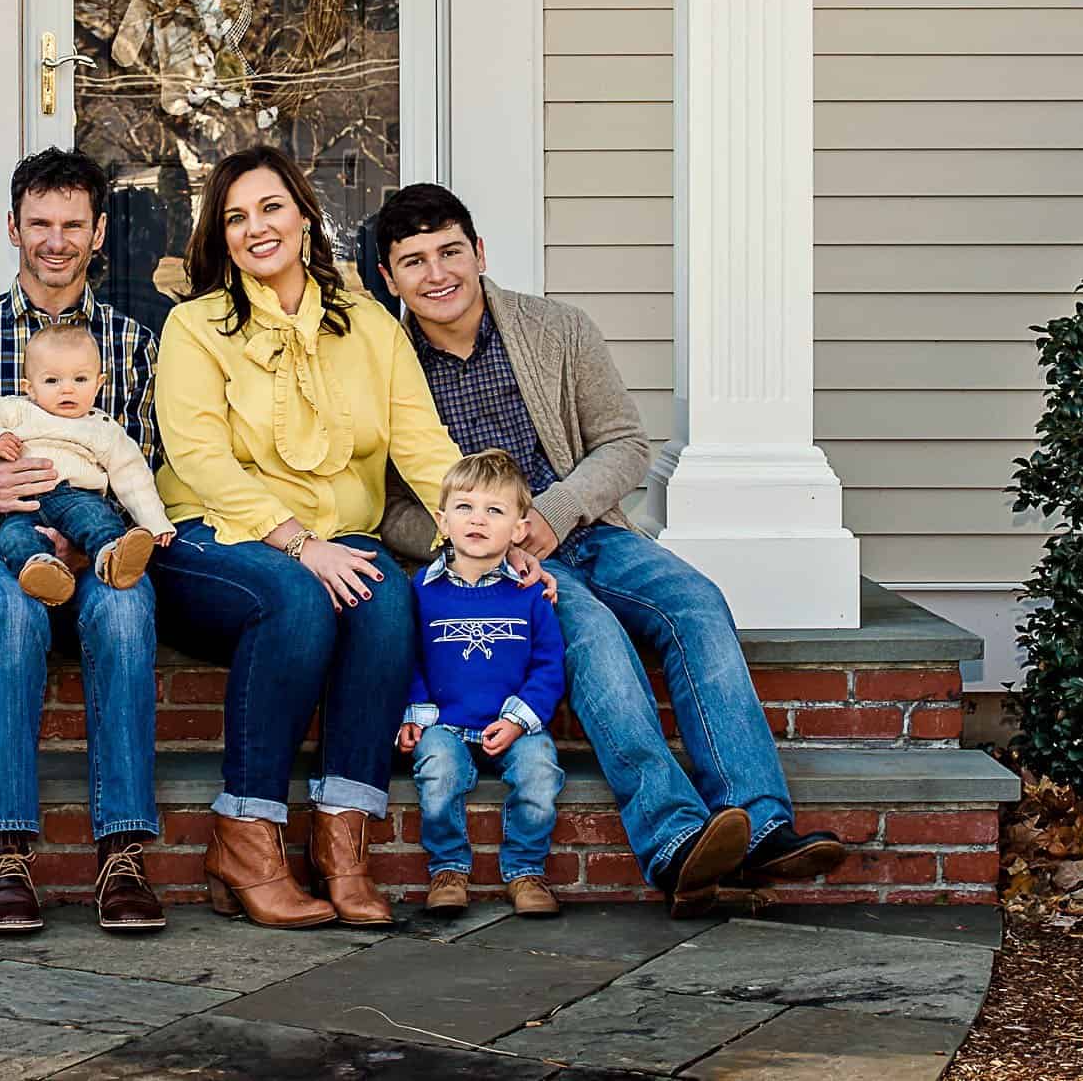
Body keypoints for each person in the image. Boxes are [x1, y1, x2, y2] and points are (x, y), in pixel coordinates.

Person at [374, 182, 848, 919]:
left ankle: (760, 823)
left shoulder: (556, 329)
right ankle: (674, 838)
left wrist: (555, 514)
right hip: (493, 569)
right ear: (389, 278)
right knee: (588, 627)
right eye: (414, 262)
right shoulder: (384, 367)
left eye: (450, 252)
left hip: (589, 529)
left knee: (696, 601)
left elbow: (626, 444)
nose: (438, 274)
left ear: (478, 253)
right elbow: (388, 509)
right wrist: (480, 537)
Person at [151, 145, 553, 929]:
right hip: (211, 536)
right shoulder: (194, 327)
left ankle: (344, 844)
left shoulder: (370, 325)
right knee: (298, 603)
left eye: (271, 207)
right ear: (221, 236)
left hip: (340, 536)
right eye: (236, 217)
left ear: (304, 214)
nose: (257, 228)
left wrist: (488, 535)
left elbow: (425, 444)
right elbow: (198, 457)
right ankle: (248, 837)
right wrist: (299, 542)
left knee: (386, 603)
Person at [0, 147, 165, 932]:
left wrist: (105, 537)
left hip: (92, 549)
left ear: (98, 236)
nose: (54, 241)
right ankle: (6, 857)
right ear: (13, 230)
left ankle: (122, 855)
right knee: (14, 617)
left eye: (72, 226)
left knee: (125, 610)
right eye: (39, 225)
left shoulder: (131, 347)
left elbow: (144, 461)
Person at [399, 451, 568, 919]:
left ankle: (526, 871)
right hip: (445, 724)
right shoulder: (421, 592)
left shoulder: (530, 593)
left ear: (518, 530)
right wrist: (414, 713)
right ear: (443, 520)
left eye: (495, 510)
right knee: (438, 771)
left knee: (541, 768)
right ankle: (448, 869)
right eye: (465, 508)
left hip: (512, 724)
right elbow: (407, 660)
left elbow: (549, 665)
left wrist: (517, 722)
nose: (478, 520)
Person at [0, 323, 176, 604]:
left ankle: (113, 558)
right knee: (15, 537)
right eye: (52, 381)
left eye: (80, 379)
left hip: (76, 497)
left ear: (99, 383)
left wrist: (154, 522)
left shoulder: (102, 427)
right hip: (24, 503)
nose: (67, 390)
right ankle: (43, 573)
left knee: (98, 521)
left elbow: (133, 476)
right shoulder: (14, 410)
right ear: (30, 387)